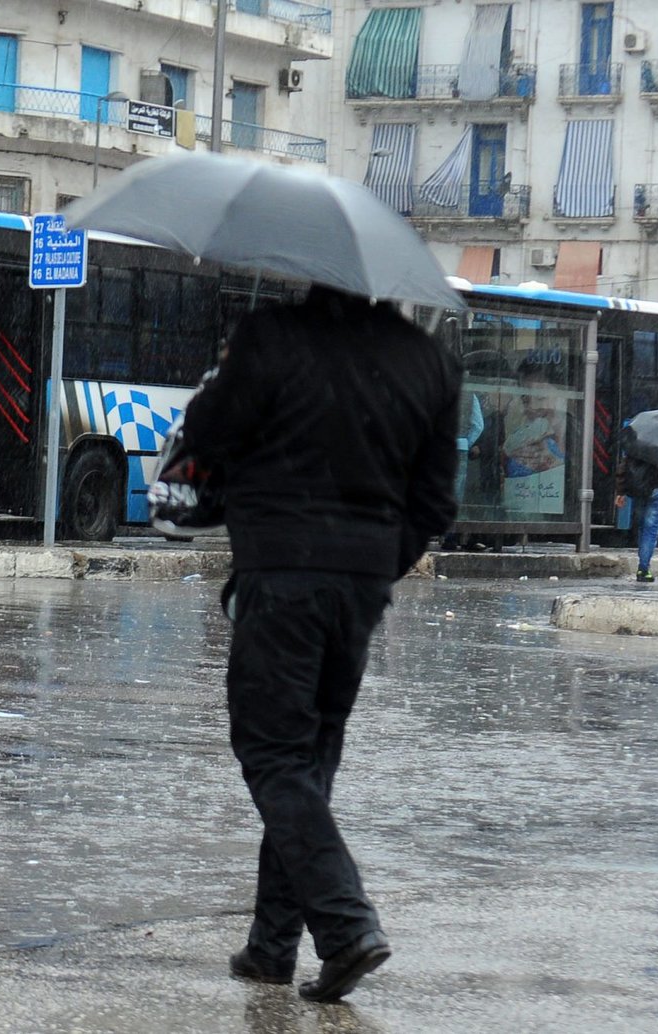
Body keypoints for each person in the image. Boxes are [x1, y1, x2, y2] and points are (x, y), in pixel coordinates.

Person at [183, 284, 460, 1003]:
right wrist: (373, 564)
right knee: (308, 758)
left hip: (281, 573)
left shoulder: (270, 335)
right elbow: (436, 500)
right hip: (362, 584)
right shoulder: (427, 359)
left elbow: (207, 435)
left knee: (273, 752)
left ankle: (345, 925)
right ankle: (272, 947)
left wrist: (225, 377)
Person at [615, 446, 658, 583]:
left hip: (640, 489)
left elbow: (624, 467)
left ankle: (643, 564)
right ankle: (643, 569)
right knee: (651, 530)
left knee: (641, 527)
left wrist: (621, 491)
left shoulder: (638, 443)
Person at [440, 390, 484, 551]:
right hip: (459, 448)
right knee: (455, 494)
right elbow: (478, 425)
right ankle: (449, 536)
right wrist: (466, 442)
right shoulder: (469, 395)